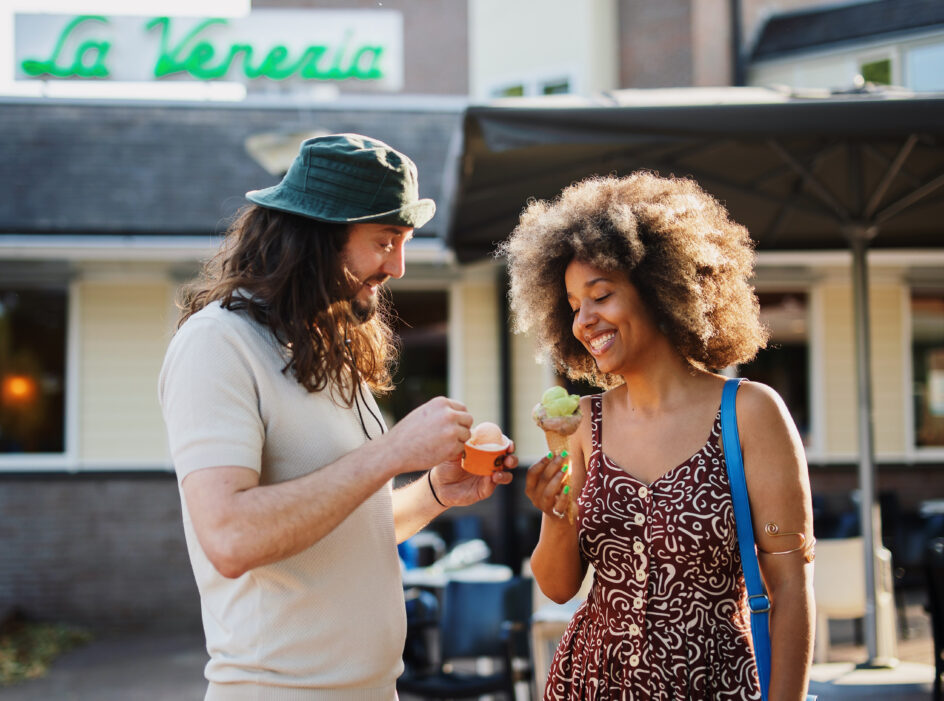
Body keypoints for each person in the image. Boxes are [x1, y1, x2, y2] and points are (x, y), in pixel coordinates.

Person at [158, 133, 516, 700]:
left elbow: (347, 524)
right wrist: (392, 452)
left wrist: (437, 492)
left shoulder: (326, 350)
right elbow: (230, 538)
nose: (397, 266)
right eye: (385, 241)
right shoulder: (218, 344)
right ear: (319, 236)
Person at [501, 172, 814, 699]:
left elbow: (790, 586)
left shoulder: (750, 413)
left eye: (600, 296)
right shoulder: (583, 422)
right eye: (574, 305)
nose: (585, 320)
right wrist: (555, 517)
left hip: (715, 681)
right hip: (591, 682)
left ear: (659, 289)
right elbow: (558, 589)